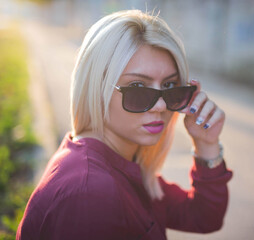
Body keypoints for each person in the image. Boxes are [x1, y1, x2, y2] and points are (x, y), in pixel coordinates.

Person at [16, 10, 232, 240]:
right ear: (97, 89)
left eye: (169, 86)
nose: (160, 106)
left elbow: (203, 216)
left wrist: (206, 143)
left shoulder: (118, 163)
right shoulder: (91, 191)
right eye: (137, 87)